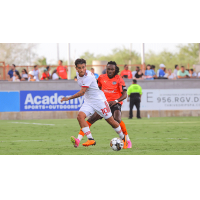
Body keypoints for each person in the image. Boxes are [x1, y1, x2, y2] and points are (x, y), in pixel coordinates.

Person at [61, 58, 128, 149]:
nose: (82, 70)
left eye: (83, 67)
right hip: (89, 101)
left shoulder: (89, 76)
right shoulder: (78, 74)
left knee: (112, 121)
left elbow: (82, 92)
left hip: (99, 101)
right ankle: (90, 139)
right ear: (76, 68)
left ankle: (123, 138)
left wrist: (68, 98)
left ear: (86, 67)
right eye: (79, 68)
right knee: (80, 117)